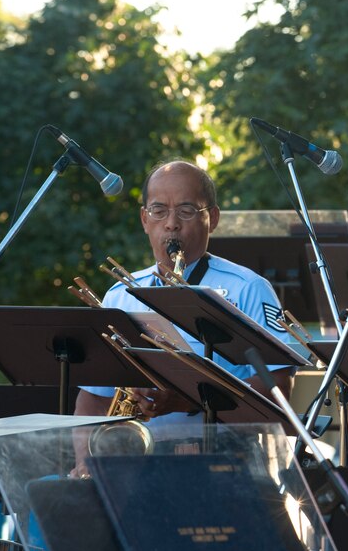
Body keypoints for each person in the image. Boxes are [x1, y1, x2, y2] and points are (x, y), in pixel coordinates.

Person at [75, 160, 294, 431]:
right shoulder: (119, 295)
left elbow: (277, 388)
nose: (171, 224)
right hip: (134, 462)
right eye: (158, 210)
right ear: (144, 219)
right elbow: (94, 399)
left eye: (186, 210)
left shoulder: (248, 288)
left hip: (225, 460)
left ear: (212, 218)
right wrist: (86, 462)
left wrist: (188, 399)